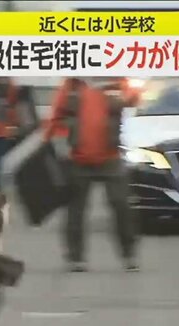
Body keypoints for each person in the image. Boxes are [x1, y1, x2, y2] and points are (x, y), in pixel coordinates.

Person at [44, 77, 141, 273]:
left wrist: (124, 89)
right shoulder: (72, 85)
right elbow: (56, 117)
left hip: (110, 157)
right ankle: (75, 258)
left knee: (121, 203)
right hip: (77, 159)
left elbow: (133, 99)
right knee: (76, 210)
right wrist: (55, 147)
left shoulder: (117, 82)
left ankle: (129, 254)